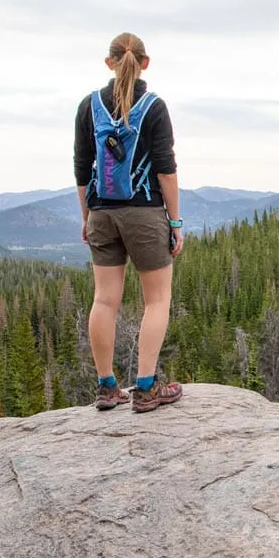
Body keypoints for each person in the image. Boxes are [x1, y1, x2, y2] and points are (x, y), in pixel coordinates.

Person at [74, 32, 184, 412]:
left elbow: (82, 169)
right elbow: (166, 171)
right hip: (145, 213)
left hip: (101, 212)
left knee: (104, 300)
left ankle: (107, 388)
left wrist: (87, 217)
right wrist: (175, 221)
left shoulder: (88, 107)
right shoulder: (154, 107)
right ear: (145, 63)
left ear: (109, 63)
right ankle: (147, 387)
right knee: (157, 300)